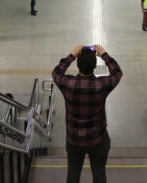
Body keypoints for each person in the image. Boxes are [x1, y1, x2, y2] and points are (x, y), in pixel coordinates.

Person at [52, 44, 122, 183]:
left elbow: (56, 72)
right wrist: (104, 54)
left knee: (73, 172)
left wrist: (72, 54)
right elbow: (117, 73)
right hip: (98, 139)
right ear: (95, 66)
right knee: (98, 172)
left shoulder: (68, 84)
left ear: (77, 65)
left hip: (74, 140)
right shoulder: (101, 85)